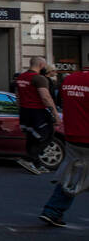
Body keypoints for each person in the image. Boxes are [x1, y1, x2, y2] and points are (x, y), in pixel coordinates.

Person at [39, 64, 89, 226]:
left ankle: (53, 211)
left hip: (73, 135)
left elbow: (61, 102)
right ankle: (53, 211)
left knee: (72, 174)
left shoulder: (69, 80)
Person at [15, 56, 59, 175]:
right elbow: (46, 97)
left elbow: (18, 96)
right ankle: (29, 159)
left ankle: (36, 164)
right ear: (41, 65)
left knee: (31, 137)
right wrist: (55, 114)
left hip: (25, 111)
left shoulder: (20, 77)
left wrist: (21, 109)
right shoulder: (39, 78)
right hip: (38, 112)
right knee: (47, 135)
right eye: (44, 65)